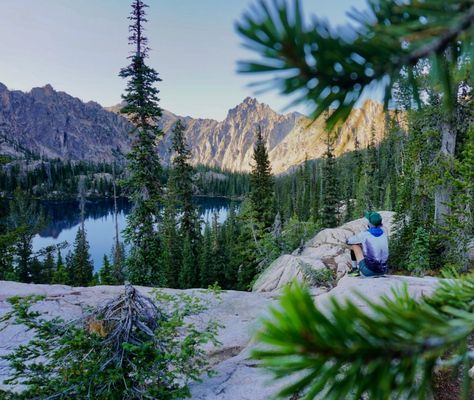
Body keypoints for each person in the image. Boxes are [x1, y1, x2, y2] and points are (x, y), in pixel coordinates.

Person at [346, 212, 388, 277]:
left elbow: (349, 241)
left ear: (370, 223)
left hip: (369, 271)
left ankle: (355, 270)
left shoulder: (365, 234)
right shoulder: (384, 232)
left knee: (354, 246)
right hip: (383, 271)